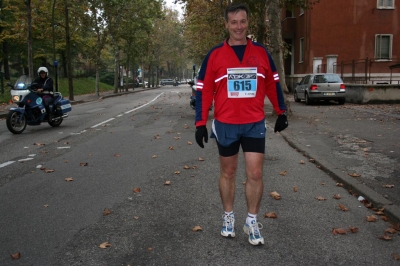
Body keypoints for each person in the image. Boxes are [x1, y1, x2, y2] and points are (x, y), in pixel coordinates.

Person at [194, 3, 288, 246]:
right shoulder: (214, 55)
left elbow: (272, 83)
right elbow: (204, 90)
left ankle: (252, 221)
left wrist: (281, 112)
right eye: (234, 22)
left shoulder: (261, 53)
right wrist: (200, 123)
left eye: (243, 21)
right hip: (226, 124)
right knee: (229, 172)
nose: (239, 26)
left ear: (248, 23)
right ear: (226, 25)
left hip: (254, 122)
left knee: (255, 173)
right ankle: (228, 216)